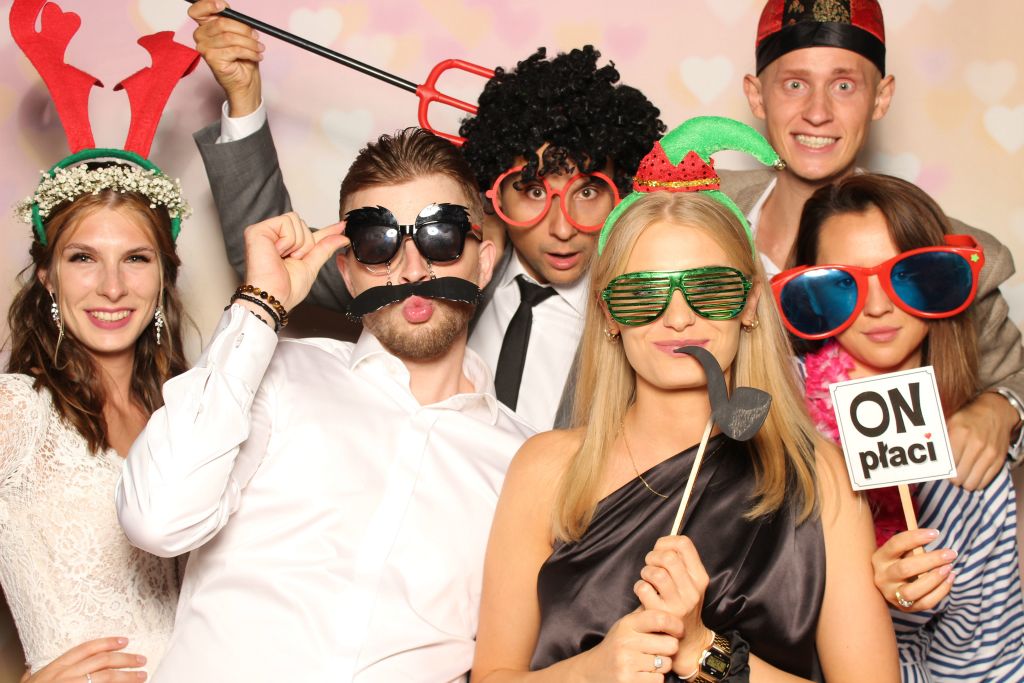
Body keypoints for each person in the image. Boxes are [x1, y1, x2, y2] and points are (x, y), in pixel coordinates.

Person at [471, 119, 898, 682]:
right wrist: (593, 671)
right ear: (608, 316)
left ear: (749, 304)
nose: (677, 317)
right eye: (642, 295)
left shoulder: (818, 475)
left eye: (710, 289)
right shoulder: (545, 470)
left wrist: (705, 653)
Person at [116, 128, 534, 682]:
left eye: (441, 236)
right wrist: (260, 306)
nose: (411, 271)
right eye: (378, 244)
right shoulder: (269, 376)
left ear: (484, 264)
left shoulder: (527, 464)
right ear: (345, 271)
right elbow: (156, 520)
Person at [186, 0, 664, 430]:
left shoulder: (648, 308)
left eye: (588, 192)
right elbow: (270, 253)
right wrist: (244, 96)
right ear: (495, 191)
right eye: (534, 190)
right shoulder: (439, 260)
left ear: (620, 190)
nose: (562, 228)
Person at [720, 0, 1024, 491]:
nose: (817, 112)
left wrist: (1001, 408)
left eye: (844, 86)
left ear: (881, 98)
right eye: (795, 84)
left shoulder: (943, 257)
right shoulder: (694, 211)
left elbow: (1015, 376)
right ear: (756, 96)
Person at [2, 4, 198, 678]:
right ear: (48, 277)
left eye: (136, 258)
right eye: (83, 258)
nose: (112, 286)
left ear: (164, 276)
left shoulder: (183, 412)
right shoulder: (16, 412)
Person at [773, 173, 1024, 681]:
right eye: (843, 283)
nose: (877, 306)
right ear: (811, 293)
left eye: (903, 275)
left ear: (937, 280)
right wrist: (860, 594)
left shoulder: (975, 454)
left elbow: (981, 662)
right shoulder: (773, 414)